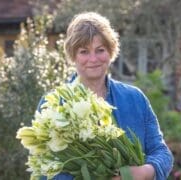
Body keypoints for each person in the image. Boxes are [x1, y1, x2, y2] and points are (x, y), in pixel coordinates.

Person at [39, 12, 173, 180]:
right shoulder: (54, 103)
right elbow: (45, 170)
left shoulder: (135, 99)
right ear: (73, 56)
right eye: (84, 51)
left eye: (100, 50)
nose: (93, 59)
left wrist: (143, 172)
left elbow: (161, 152)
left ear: (111, 51)